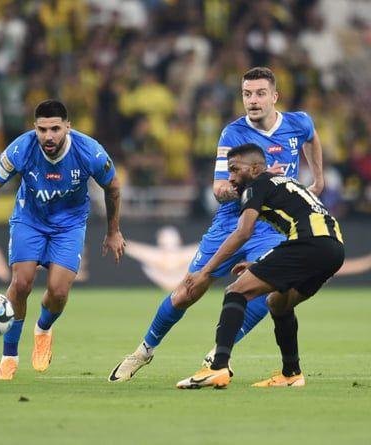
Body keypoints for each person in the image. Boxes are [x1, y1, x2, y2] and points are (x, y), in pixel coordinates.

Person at [108, 67, 325, 382]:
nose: (253, 100)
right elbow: (219, 189)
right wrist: (258, 182)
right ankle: (143, 351)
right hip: (231, 223)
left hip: (271, 228)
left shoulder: (298, 123)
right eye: (247, 94)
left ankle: (218, 354)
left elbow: (312, 137)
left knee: (268, 289)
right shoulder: (233, 134)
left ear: (275, 96)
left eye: (260, 93)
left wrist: (318, 180)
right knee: (188, 290)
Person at [0, 99, 125, 380]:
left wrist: (113, 232)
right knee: (21, 283)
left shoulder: (89, 151)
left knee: (58, 292)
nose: (48, 136)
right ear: (34, 128)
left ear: (67, 127)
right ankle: (9, 357)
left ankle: (43, 329)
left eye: (55, 129)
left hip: (70, 225)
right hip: (30, 219)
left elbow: (112, 187)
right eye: (42, 130)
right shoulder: (21, 148)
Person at [176, 143, 344, 388]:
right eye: (229, 171)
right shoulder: (286, 183)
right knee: (278, 302)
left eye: (235, 169)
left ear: (255, 169)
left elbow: (242, 233)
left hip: (309, 244)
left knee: (236, 291)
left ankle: (217, 367)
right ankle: (291, 374)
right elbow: (301, 223)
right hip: (333, 248)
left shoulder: (255, 187)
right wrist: (264, 262)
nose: (230, 178)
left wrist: (205, 271)